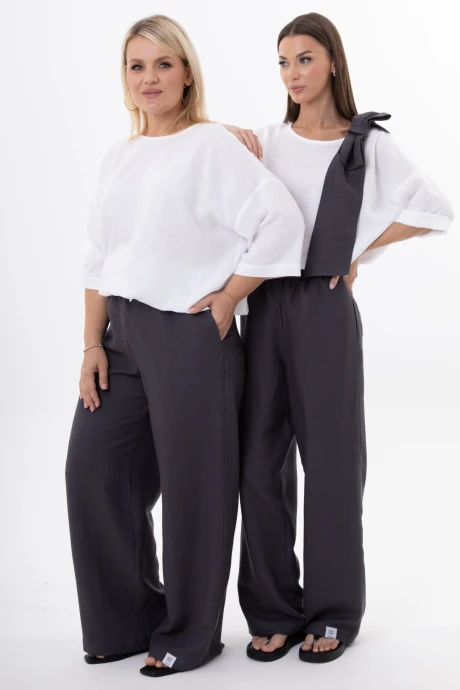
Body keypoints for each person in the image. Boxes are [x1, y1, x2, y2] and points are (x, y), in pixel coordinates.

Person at [64, 14, 305, 678]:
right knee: (93, 474)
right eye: (136, 66)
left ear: (187, 72)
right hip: (121, 337)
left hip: (191, 336)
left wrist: (229, 296)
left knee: (196, 489)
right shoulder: (118, 157)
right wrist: (90, 345)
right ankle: (124, 622)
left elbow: (280, 220)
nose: (149, 78)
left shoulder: (212, 146)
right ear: (124, 78)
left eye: (163, 64)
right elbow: (98, 258)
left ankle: (191, 634)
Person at [223, 12, 454, 663]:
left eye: (304, 59)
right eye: (283, 62)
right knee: (258, 462)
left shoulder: (365, 143)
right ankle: (274, 610)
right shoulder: (266, 140)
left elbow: (434, 209)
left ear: (333, 62)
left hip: (324, 309)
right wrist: (225, 135)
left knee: (331, 464)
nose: (292, 74)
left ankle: (332, 612)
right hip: (263, 303)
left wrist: (357, 249)